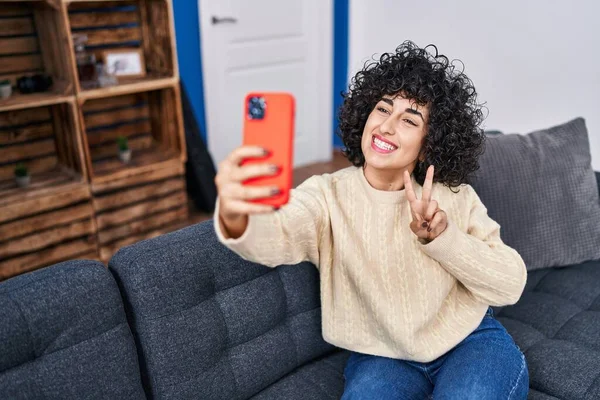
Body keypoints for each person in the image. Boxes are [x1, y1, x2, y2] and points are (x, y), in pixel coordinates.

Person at [213, 41, 529, 399]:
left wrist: (444, 239)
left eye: (409, 119)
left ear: (428, 144)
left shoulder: (455, 197)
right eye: (382, 109)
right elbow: (277, 235)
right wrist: (235, 212)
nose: (387, 126)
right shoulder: (326, 195)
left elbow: (511, 284)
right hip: (381, 356)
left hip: (469, 343)